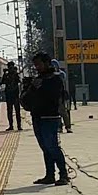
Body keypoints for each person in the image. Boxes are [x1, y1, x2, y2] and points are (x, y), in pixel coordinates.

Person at [23, 52, 69, 185]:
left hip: (50, 117)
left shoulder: (55, 79)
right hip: (37, 116)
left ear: (47, 63)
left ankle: (63, 174)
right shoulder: (37, 80)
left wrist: (39, 87)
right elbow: (26, 98)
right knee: (45, 147)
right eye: (35, 65)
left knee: (52, 146)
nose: (37, 67)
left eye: (39, 64)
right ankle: (50, 175)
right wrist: (31, 87)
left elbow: (54, 97)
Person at [51, 59, 73, 133]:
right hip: (53, 96)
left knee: (63, 112)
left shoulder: (61, 74)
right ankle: (59, 127)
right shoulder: (50, 75)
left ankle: (68, 126)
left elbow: (64, 83)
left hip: (61, 95)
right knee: (56, 113)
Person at [3, 63, 22, 131]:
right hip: (9, 95)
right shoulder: (7, 75)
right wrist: (4, 74)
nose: (10, 68)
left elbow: (19, 81)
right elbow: (2, 82)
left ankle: (19, 125)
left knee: (17, 111)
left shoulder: (16, 74)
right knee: (10, 111)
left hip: (15, 95)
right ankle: (11, 125)